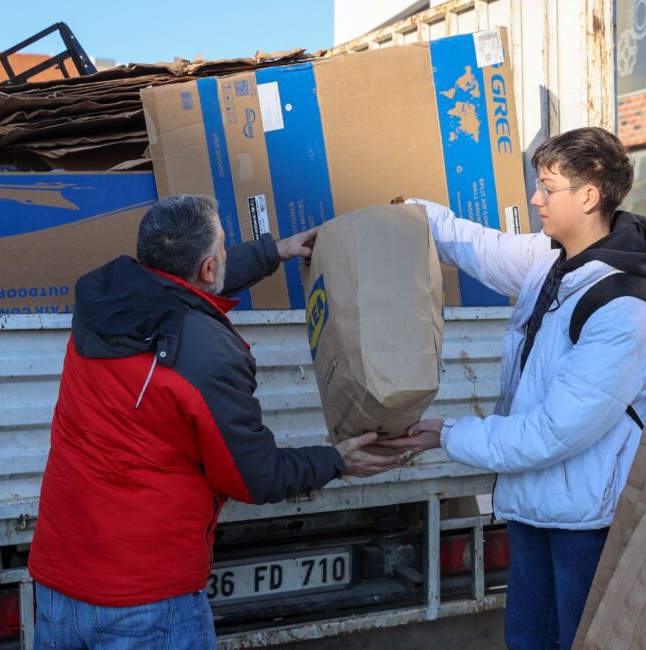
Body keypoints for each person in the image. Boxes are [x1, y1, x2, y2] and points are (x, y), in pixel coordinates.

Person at [28, 195, 398, 648]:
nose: (225, 253)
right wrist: (335, 461)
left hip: (58, 580)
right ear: (207, 268)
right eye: (223, 246)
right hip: (145, 600)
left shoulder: (103, 299)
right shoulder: (208, 357)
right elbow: (255, 477)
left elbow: (181, 286)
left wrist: (273, 252)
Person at [378, 127, 646, 648]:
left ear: (589, 196)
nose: (535, 199)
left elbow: (553, 432)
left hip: (585, 525)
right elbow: (476, 246)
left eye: (547, 188)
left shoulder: (623, 310)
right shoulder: (551, 262)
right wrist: (408, 212)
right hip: (533, 506)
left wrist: (447, 434)